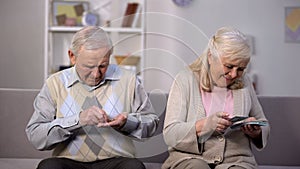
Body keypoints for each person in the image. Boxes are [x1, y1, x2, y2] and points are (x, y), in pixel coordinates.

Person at [26, 26, 159, 169]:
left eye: (103, 66)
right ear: (72, 56)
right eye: (88, 66)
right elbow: (36, 135)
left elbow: (151, 124)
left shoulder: (129, 80)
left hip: (116, 162)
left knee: (134, 167)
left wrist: (127, 123)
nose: (96, 74)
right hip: (69, 163)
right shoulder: (55, 83)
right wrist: (78, 120)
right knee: (48, 167)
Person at [162, 27, 270, 169]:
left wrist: (256, 131)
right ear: (210, 57)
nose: (234, 74)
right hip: (189, 158)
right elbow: (170, 134)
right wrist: (204, 125)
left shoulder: (245, 82)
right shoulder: (185, 79)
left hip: (236, 161)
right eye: (229, 66)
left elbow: (263, 123)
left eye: (241, 69)